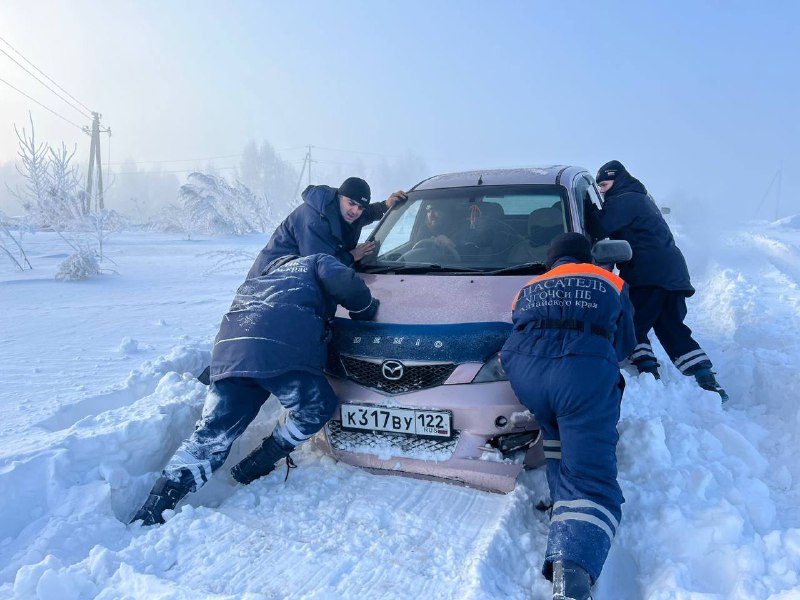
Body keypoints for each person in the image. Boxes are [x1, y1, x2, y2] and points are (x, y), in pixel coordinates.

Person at [131, 253, 379, 526]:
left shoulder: (258, 280)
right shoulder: (314, 262)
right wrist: (365, 309)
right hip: (283, 353)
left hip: (231, 355)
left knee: (210, 437)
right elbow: (342, 278)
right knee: (316, 407)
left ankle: (154, 507)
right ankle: (258, 462)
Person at [500, 233, 636, 600]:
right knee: (591, 473)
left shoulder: (530, 286)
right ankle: (571, 576)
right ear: (587, 258)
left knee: (558, 435)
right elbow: (625, 342)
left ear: (552, 260)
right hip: (580, 370)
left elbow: (518, 326)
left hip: (525, 371)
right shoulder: (610, 281)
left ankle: (562, 501)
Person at [590, 160, 728, 402]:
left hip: (649, 273)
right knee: (671, 326)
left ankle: (647, 371)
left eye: (604, 184)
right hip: (672, 273)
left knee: (632, 323)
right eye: (599, 186)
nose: (602, 190)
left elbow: (600, 226)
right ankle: (706, 378)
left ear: (617, 179)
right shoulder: (640, 199)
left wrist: (586, 208)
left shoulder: (625, 198)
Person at [246, 177, 407, 279]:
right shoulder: (315, 220)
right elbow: (321, 268)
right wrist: (351, 256)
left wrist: (385, 205)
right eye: (351, 203)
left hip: (292, 279)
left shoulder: (344, 212)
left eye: (360, 207)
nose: (355, 211)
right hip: (267, 280)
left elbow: (366, 213)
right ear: (339, 197)